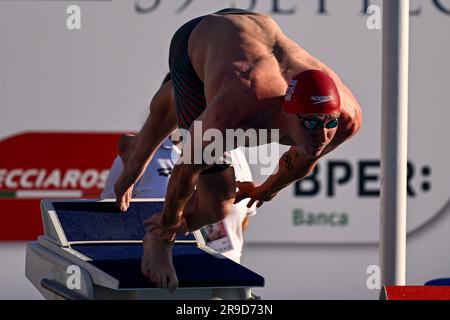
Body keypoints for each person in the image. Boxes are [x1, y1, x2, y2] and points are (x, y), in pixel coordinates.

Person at [114, 8, 363, 291]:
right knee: (216, 205)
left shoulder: (346, 118)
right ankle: (150, 214)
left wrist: (266, 189)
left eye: (328, 122)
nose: (321, 134)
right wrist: (168, 229)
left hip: (253, 31)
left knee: (207, 157)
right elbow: (186, 170)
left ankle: (138, 144)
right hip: (195, 41)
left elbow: (306, 157)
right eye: (311, 123)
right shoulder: (239, 108)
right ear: (288, 112)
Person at [101, 135, 256, 265]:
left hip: (226, 273)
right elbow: (109, 220)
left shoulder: (234, 153)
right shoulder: (141, 154)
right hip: (156, 275)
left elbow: (243, 219)